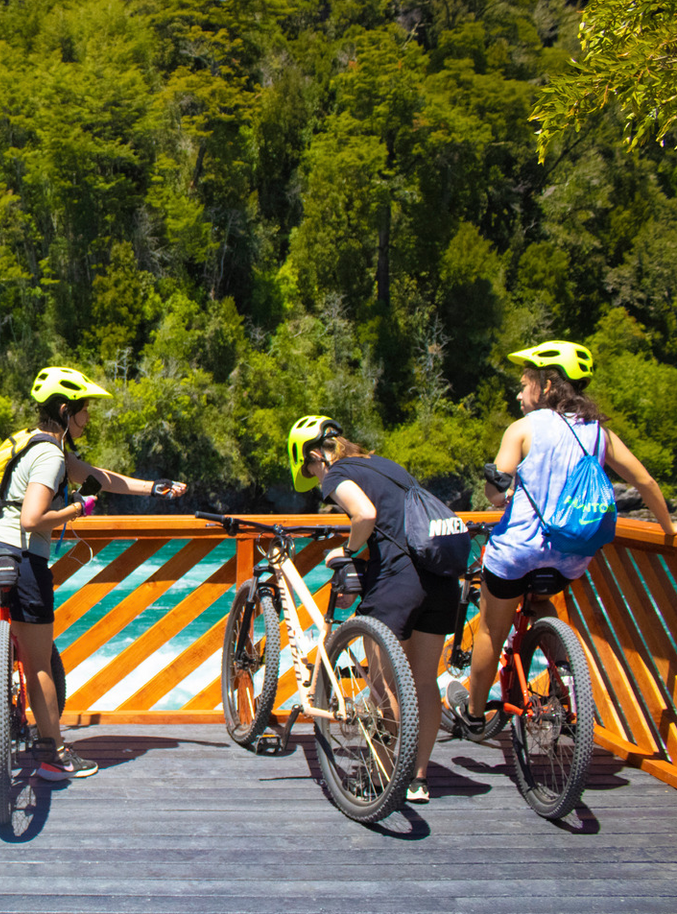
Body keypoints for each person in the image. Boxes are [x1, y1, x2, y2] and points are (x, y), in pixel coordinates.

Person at [0, 366, 186, 784]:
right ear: (65, 410)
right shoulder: (51, 455)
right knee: (39, 663)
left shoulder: (31, 443)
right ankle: (54, 755)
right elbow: (34, 517)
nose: (88, 417)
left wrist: (153, 488)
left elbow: (95, 476)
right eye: (84, 410)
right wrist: (81, 509)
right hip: (18, 557)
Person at [449, 340, 677, 739]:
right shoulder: (599, 433)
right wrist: (670, 532)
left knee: (489, 630)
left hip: (519, 552)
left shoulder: (523, 429)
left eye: (525, 384)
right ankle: (566, 681)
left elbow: (495, 493)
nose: (519, 394)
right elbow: (644, 481)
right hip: (572, 556)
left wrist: (504, 489)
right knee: (541, 600)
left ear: (548, 386)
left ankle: (472, 714)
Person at [288, 416, 460, 805]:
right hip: (440, 577)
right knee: (422, 681)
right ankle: (417, 778)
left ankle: (383, 775)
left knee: (384, 686)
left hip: (400, 582)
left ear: (317, 454)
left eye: (309, 468)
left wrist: (348, 550)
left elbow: (364, 514)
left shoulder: (337, 474)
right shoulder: (383, 464)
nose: (314, 478)